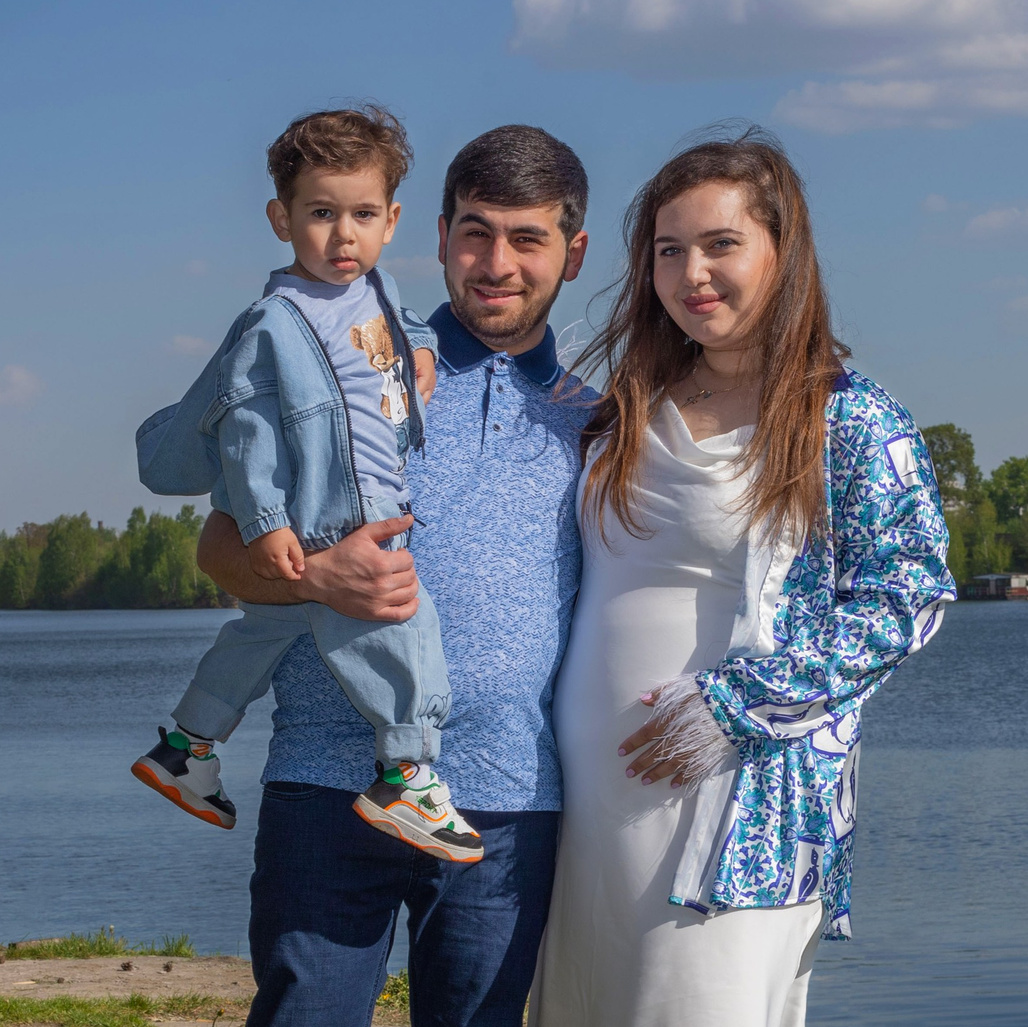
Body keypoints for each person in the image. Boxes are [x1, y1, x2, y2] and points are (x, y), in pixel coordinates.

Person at [529, 128, 957, 1027]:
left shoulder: (848, 418)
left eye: (721, 244)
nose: (693, 274)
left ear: (781, 249)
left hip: (734, 799)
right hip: (588, 804)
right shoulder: (627, 404)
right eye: (668, 250)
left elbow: (908, 599)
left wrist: (736, 706)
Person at [196, 124, 592, 1027]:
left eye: (527, 238)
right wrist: (313, 577)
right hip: (327, 782)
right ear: (440, 235)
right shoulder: (347, 372)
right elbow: (217, 546)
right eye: (475, 232)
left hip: (507, 804)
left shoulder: (596, 423)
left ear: (571, 254)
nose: (497, 263)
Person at [130, 106, 482, 861]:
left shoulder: (376, 291)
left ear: (391, 221)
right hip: (338, 511)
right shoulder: (275, 321)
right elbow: (248, 430)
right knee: (404, 618)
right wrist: (264, 522)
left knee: (265, 629)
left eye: (363, 215)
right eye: (321, 214)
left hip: (348, 500)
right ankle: (407, 773)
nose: (343, 235)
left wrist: (420, 347)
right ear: (280, 219)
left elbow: (404, 324)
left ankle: (185, 748)